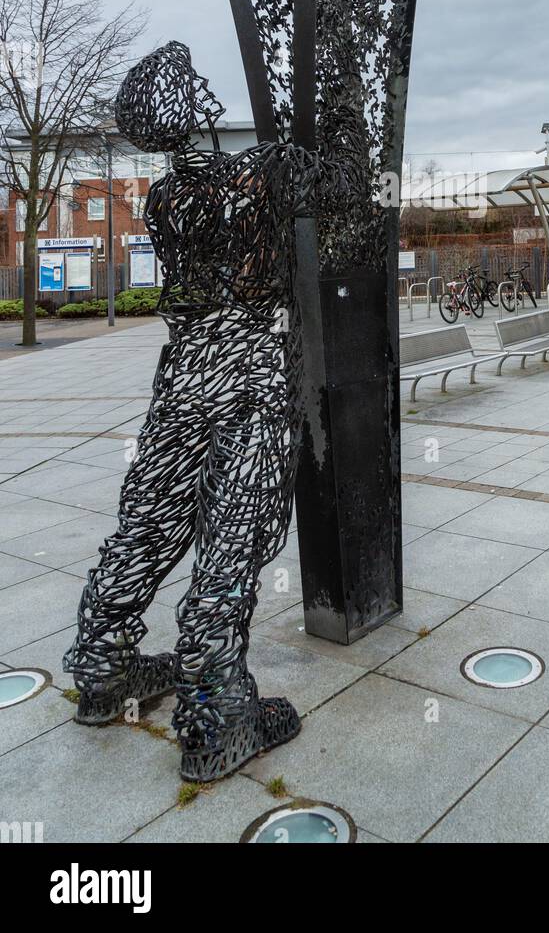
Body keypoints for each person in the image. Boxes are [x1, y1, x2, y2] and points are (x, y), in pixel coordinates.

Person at [64, 40, 322, 782]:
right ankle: (216, 715)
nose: (211, 91)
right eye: (198, 85)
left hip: (183, 374)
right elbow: (343, 185)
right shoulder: (265, 170)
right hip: (248, 369)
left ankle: (103, 666)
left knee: (148, 520)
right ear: (194, 107)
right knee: (232, 536)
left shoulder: (163, 197)